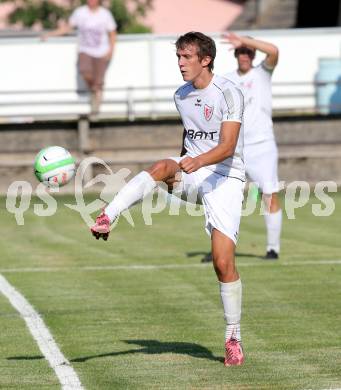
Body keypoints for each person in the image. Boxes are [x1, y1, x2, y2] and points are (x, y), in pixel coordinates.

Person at [91, 31, 246, 366]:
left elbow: (228, 147)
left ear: (206, 59)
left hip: (226, 179)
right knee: (161, 166)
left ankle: (233, 335)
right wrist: (179, 169)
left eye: (186, 57)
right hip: (194, 172)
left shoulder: (230, 92)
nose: (180, 64)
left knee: (222, 263)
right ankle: (109, 214)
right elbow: (188, 139)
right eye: (178, 57)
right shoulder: (181, 95)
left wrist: (196, 161)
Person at [223, 32, 282, 260]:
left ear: (253, 53)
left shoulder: (262, 74)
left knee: (269, 196)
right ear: (236, 55)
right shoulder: (226, 79)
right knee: (223, 198)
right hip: (234, 148)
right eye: (241, 51)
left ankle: (272, 248)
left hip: (262, 145)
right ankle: (221, 248)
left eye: (248, 51)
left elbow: (274, 51)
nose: (245, 55)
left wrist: (245, 40)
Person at [41, 0, 117, 114]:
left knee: (99, 80)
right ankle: (94, 91)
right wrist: (50, 34)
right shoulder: (80, 12)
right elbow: (67, 28)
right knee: (84, 72)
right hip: (85, 50)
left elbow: (112, 33)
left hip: (101, 51)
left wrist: (111, 50)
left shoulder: (105, 14)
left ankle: (96, 103)